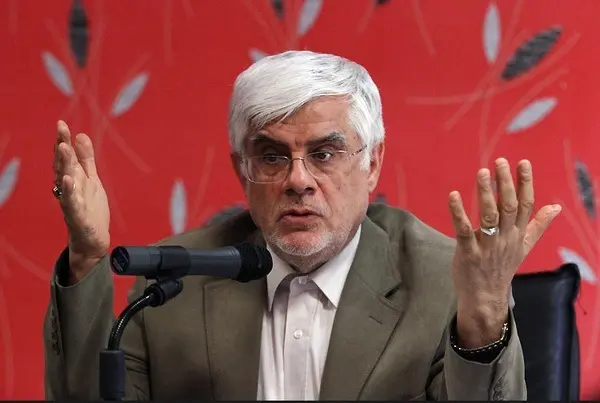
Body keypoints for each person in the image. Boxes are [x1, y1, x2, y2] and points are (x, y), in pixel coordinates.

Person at [43, 50, 561, 401]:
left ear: (372, 163)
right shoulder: (177, 279)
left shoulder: (443, 280)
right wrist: (87, 256)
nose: (298, 181)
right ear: (242, 170)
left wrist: (484, 316)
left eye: (324, 154)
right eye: (272, 156)